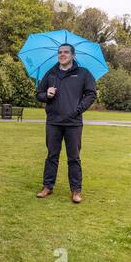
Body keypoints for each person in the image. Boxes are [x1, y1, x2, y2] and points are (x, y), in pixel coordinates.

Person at [36, 43, 97, 203]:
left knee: (74, 158)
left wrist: (78, 109)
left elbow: (91, 94)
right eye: (60, 52)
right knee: (52, 156)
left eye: (66, 52)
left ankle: (76, 191)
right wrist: (46, 95)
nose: (62, 55)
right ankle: (47, 186)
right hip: (53, 122)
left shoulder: (83, 74)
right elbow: (39, 94)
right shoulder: (51, 73)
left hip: (74, 123)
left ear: (73, 55)